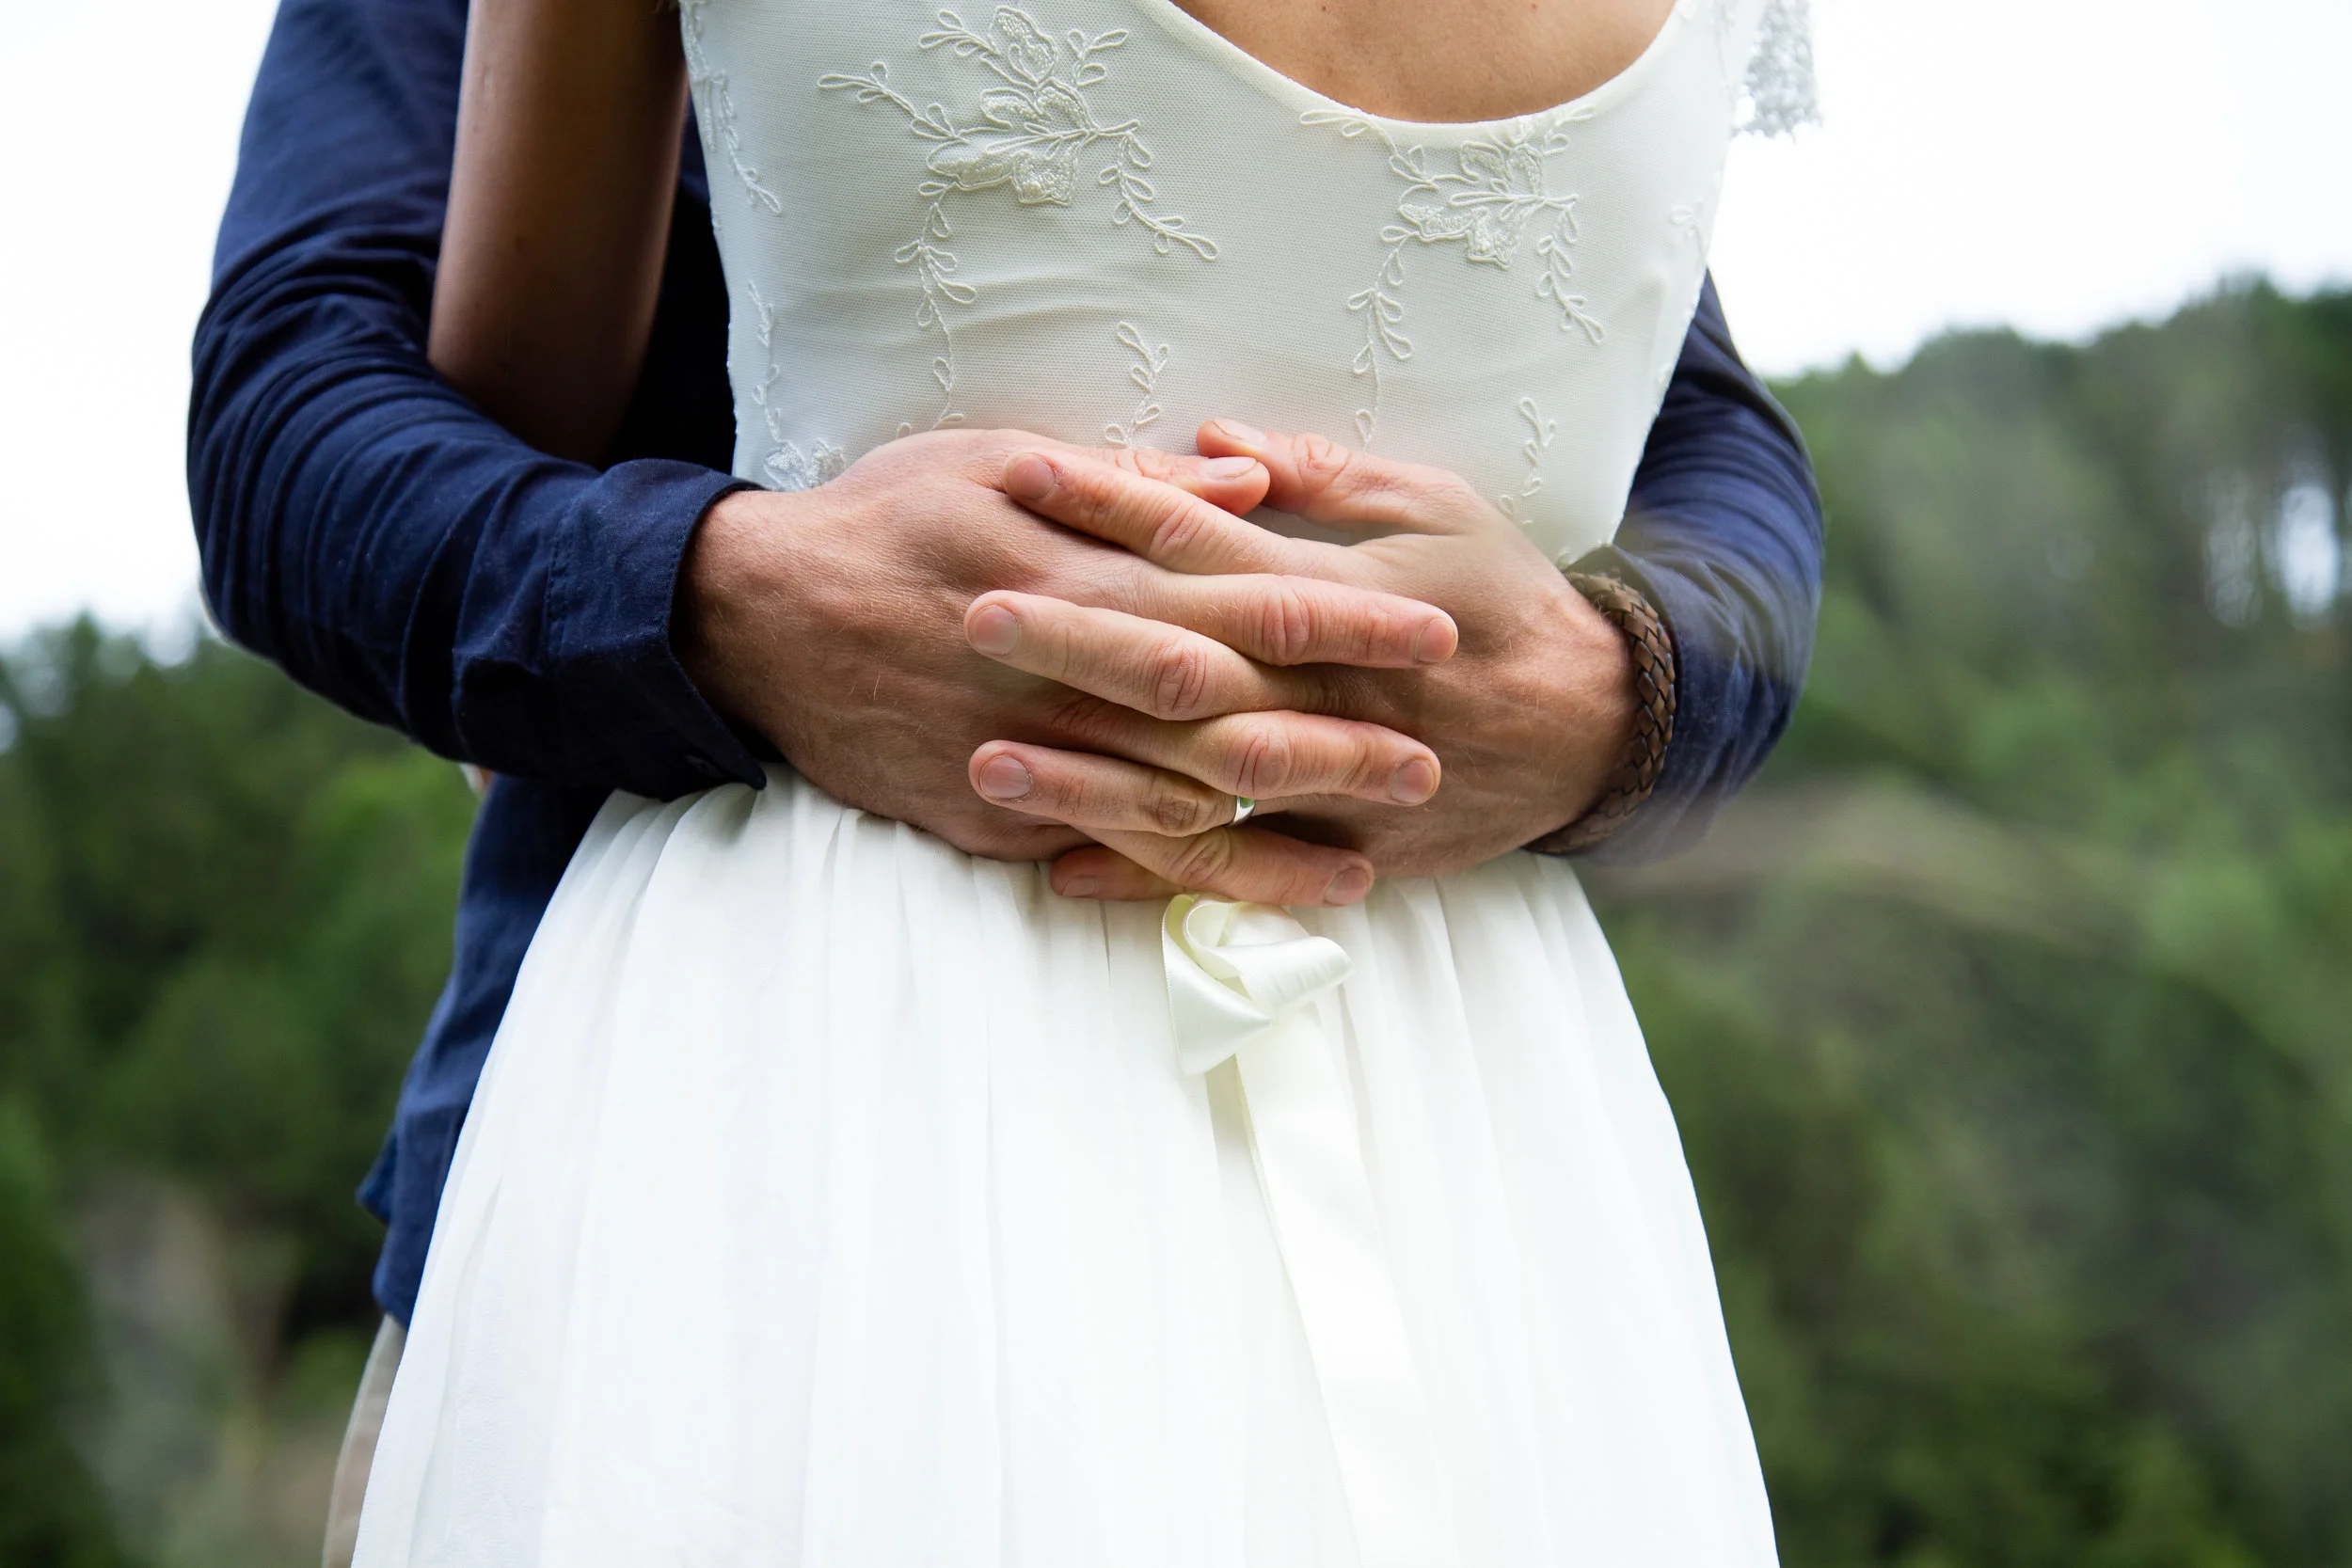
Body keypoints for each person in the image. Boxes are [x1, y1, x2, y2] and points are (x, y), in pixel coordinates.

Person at [186, 0, 1823, 1560]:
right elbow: (289, 423)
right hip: (747, 1178)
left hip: (1467, 1164)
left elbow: (1684, 408)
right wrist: (720, 596)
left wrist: (1625, 690)